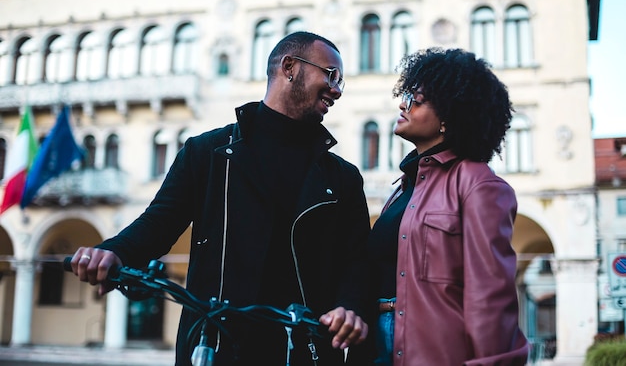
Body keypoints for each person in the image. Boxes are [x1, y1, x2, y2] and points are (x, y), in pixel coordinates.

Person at [68, 31, 372, 366]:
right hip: (213, 347)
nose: (337, 89)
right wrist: (114, 251)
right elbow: (158, 224)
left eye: (341, 80)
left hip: (304, 351)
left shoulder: (343, 177)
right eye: (331, 75)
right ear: (289, 67)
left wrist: (351, 307)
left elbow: (358, 264)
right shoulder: (206, 153)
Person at [368, 47, 529, 365]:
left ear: (448, 118)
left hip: (431, 353)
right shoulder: (403, 188)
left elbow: (490, 298)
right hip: (377, 348)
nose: (403, 104)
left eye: (416, 99)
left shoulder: (478, 184)